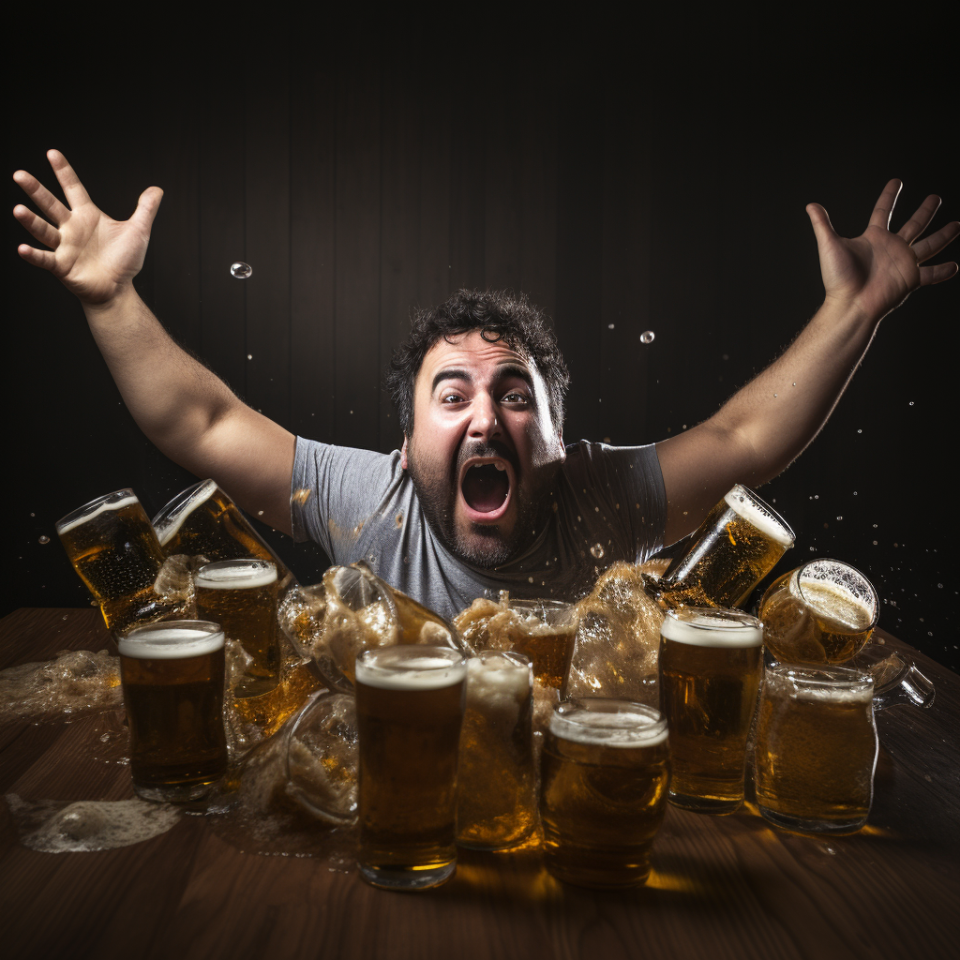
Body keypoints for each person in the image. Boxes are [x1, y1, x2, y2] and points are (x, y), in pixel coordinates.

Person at [13, 150, 959, 618]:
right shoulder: (367, 499)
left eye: (516, 395)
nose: (485, 418)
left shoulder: (605, 496)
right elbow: (202, 419)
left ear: (557, 438)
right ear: (406, 439)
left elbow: (747, 439)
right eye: (451, 395)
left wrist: (857, 311)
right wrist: (110, 297)